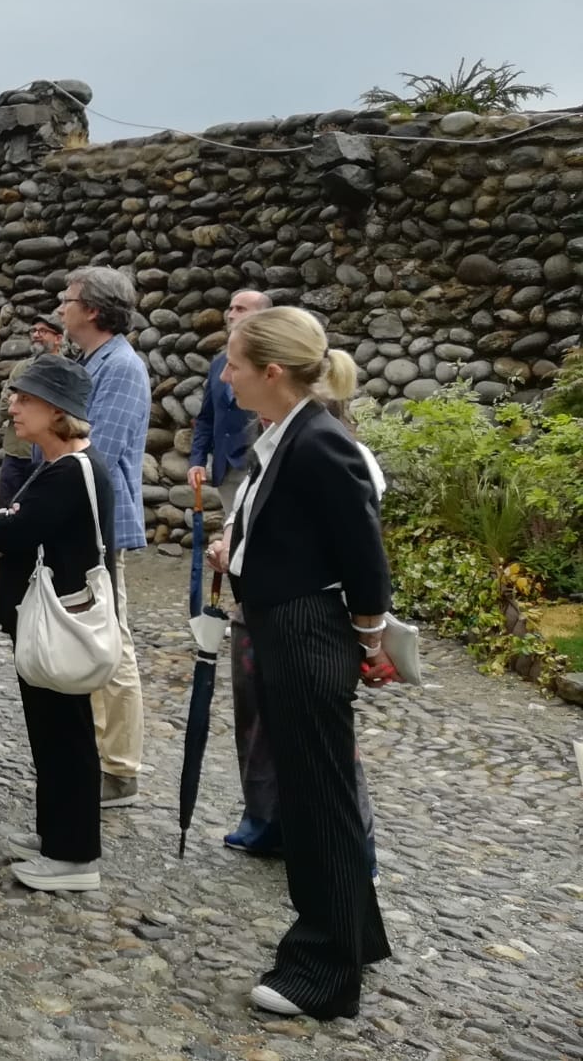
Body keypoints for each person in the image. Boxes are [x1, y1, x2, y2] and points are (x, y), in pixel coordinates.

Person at [208, 306, 392, 1020]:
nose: (226, 377)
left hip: (308, 634)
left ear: (273, 371)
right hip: (283, 627)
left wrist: (370, 639)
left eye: (235, 365)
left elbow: (364, 557)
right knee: (315, 797)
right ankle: (352, 936)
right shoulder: (287, 432)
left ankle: (326, 971)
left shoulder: (319, 442)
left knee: (319, 807)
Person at [0, 354, 113, 892]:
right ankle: (57, 836)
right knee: (51, 732)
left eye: (25, 399)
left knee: (63, 736)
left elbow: (15, 532)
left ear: (57, 411)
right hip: (52, 612)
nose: (13, 407)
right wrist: (2, 519)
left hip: (59, 619)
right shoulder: (62, 466)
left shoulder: (70, 471)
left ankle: (74, 856)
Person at [58, 265, 151, 808]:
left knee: (112, 643)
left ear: (93, 310)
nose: (61, 307)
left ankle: (119, 768)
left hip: (99, 525)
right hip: (82, 521)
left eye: (68, 299)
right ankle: (98, 752)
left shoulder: (121, 367)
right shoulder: (93, 361)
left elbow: (101, 452)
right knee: (93, 636)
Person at [190, 289, 272, 510]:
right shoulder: (219, 363)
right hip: (225, 470)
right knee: (231, 528)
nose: (231, 314)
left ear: (262, 315)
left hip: (260, 467)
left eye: (240, 309)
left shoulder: (272, 362)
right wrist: (197, 460)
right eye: (231, 308)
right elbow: (207, 417)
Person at [0, 314, 65, 508]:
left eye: (43, 331)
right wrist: (39, 405)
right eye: (33, 331)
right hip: (16, 456)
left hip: (48, 458)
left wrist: (22, 401)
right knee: (5, 511)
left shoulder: (67, 372)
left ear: (58, 338)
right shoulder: (21, 369)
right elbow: (4, 407)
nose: (36, 335)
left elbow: (64, 413)